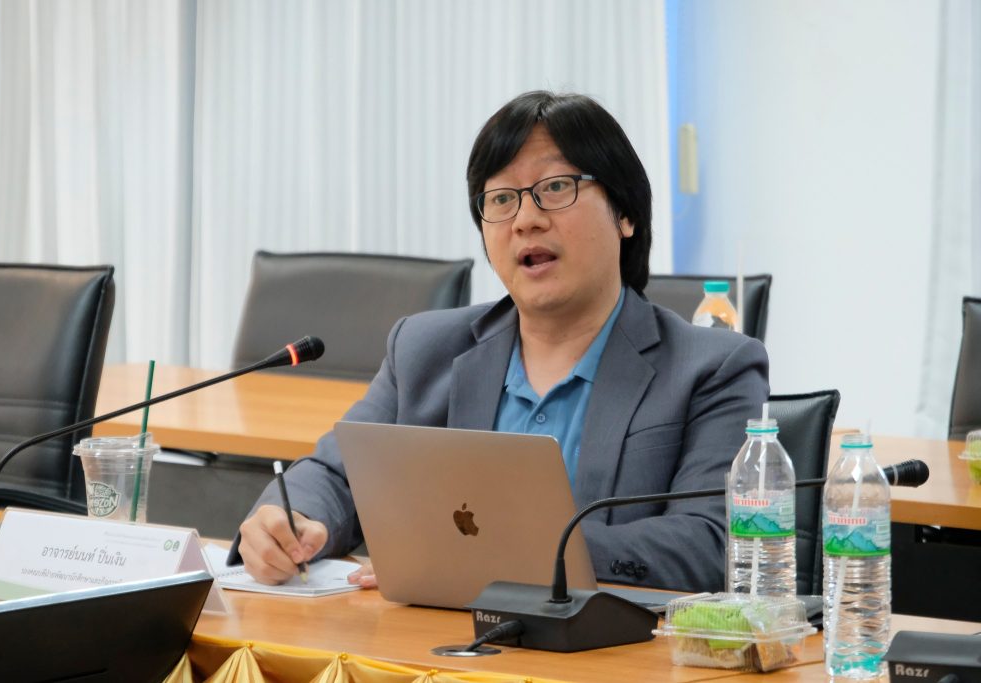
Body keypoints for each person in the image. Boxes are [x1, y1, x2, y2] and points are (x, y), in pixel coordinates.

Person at [235, 90, 769, 593]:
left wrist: (511, 553)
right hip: (429, 643)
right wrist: (289, 521)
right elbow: (335, 475)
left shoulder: (712, 368)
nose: (525, 220)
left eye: (555, 188)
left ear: (624, 213)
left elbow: (711, 543)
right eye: (502, 199)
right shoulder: (424, 349)